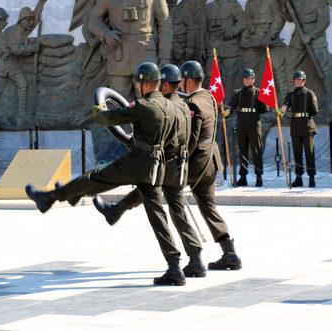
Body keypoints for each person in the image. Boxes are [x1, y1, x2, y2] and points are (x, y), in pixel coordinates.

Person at [26, 62, 190, 286]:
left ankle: (50, 198)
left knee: (95, 177)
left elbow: (107, 118)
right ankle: (174, 267)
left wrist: (98, 108)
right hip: (156, 166)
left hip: (137, 163)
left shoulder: (144, 105)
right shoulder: (170, 107)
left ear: (143, 83)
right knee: (157, 216)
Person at [92, 63, 205, 278]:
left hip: (160, 165)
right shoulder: (183, 106)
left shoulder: (161, 106)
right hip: (179, 166)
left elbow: (156, 137)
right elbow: (190, 140)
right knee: (178, 211)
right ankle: (196, 258)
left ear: (163, 84)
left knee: (157, 215)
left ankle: (173, 266)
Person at [180, 60, 242, 271]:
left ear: (188, 80)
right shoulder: (208, 96)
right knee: (208, 208)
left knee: (161, 189)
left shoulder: (192, 104)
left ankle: (194, 258)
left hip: (196, 163)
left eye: (182, 80)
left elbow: (191, 139)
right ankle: (230, 253)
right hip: (211, 161)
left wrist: (178, 156)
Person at [88, 0, 172, 98]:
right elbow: (93, 20)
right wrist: (106, 34)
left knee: (149, 103)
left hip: (145, 54)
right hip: (118, 55)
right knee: (120, 104)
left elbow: (165, 25)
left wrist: (164, 56)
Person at [224, 68, 268, 186]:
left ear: (253, 79)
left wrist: (260, 104)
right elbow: (231, 106)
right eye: (245, 78)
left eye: (249, 78)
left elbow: (265, 109)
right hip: (242, 125)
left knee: (256, 152)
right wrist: (226, 113)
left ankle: (259, 177)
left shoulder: (258, 92)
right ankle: (243, 177)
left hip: (254, 125)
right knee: (242, 152)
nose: (247, 80)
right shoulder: (238, 93)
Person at [280, 70, 319, 188]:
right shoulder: (290, 95)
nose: (298, 81)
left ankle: (311, 178)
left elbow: (315, 110)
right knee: (297, 154)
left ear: (304, 81)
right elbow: (285, 105)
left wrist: (304, 114)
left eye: (300, 79)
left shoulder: (309, 93)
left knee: (309, 153)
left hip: (307, 127)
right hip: (296, 127)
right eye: (296, 79)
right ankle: (299, 178)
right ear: (294, 81)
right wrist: (281, 112)